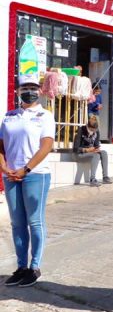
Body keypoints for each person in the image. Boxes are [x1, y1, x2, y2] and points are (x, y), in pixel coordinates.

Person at [1, 73, 55, 287]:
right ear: (17, 91)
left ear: (40, 91)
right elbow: (1, 146)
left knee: (35, 221)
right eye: (24, 88)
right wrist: (4, 167)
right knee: (17, 223)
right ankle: (21, 266)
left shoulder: (45, 115)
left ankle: (34, 267)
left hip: (35, 174)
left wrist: (26, 168)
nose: (29, 91)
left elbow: (46, 145)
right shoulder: (9, 116)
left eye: (33, 87)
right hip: (11, 175)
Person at [73, 114, 111, 186]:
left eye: (95, 130)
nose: (93, 132)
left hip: (91, 153)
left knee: (104, 153)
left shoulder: (96, 132)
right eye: (92, 130)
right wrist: (87, 150)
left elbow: (96, 145)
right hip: (80, 154)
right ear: (88, 127)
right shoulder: (81, 130)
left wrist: (96, 149)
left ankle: (105, 177)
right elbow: (75, 149)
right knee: (96, 155)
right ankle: (92, 179)